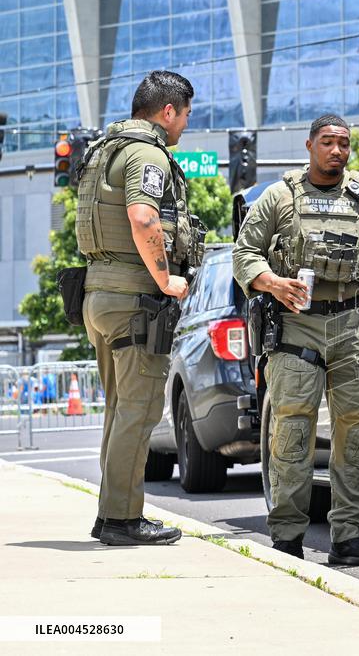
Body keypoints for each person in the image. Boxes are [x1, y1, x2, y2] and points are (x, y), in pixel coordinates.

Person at [233, 114, 359, 565]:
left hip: (355, 322)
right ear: (309, 145)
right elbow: (245, 252)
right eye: (327, 142)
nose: (336, 151)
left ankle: (348, 538)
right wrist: (272, 283)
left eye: (343, 143)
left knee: (357, 434)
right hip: (296, 322)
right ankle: (287, 538)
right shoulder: (280, 197)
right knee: (293, 431)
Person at [77, 70, 202, 546]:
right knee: (139, 410)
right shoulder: (147, 153)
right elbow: (143, 216)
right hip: (133, 299)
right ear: (168, 110)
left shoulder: (103, 150)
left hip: (100, 295)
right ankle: (122, 520)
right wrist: (166, 277)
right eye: (186, 114)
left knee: (120, 409)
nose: (186, 123)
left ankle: (111, 513)